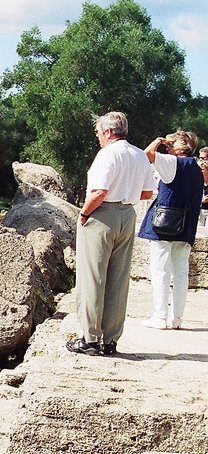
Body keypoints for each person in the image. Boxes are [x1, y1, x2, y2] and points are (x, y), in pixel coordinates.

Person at [68, 111, 156, 356]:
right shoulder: (140, 155)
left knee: (92, 276)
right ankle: (111, 340)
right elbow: (147, 193)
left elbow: (98, 191)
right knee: (118, 278)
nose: (97, 137)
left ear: (107, 131)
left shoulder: (107, 154)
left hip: (101, 214)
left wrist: (84, 214)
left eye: (98, 132)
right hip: (127, 214)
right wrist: (126, 194)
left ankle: (90, 338)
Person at [137, 130, 204, 329]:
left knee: (160, 270)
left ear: (176, 146)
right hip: (186, 226)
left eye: (169, 146)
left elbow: (147, 154)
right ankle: (177, 318)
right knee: (181, 272)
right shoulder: (195, 167)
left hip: (165, 225)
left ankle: (159, 316)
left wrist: (157, 140)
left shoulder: (171, 162)